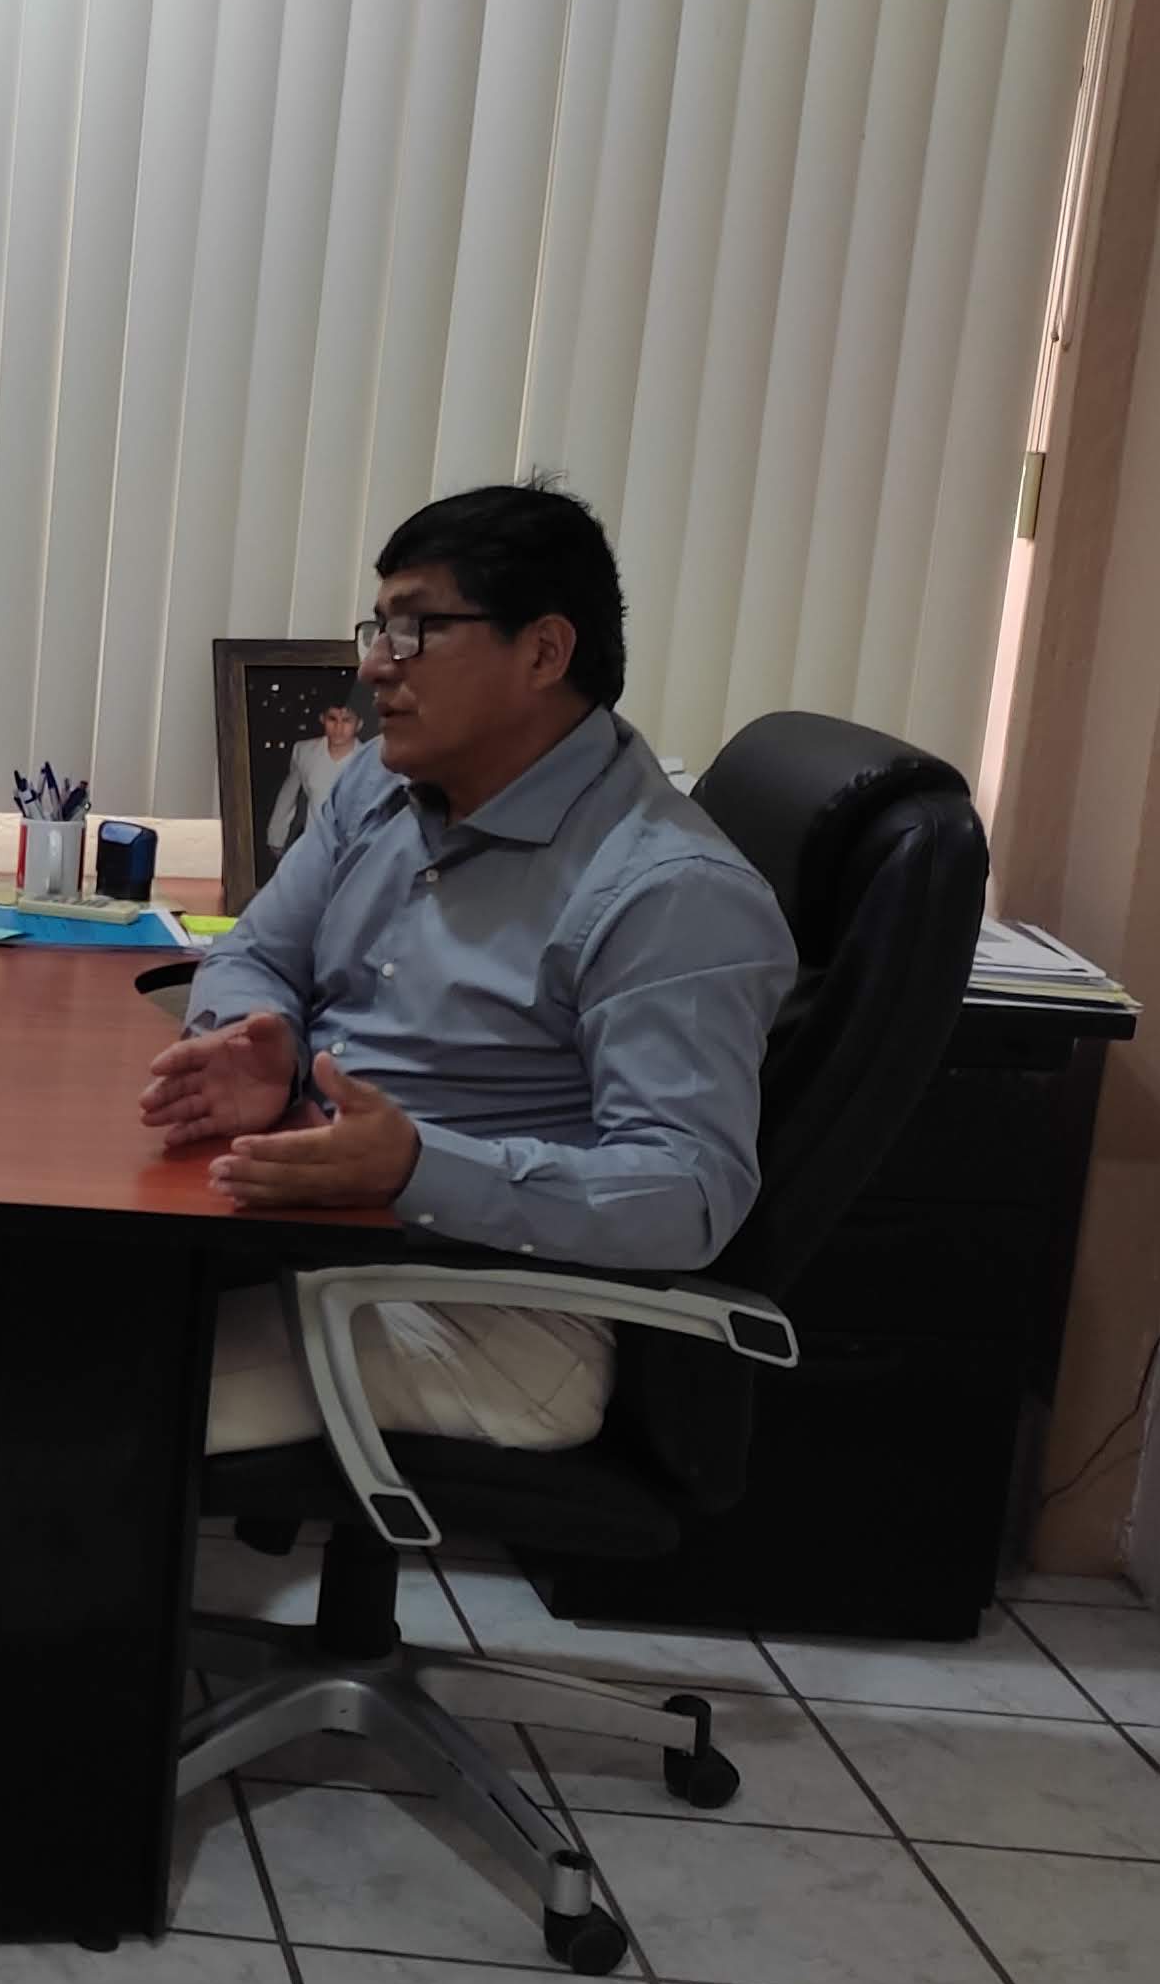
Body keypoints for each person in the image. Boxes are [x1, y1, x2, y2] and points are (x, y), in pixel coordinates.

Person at [140, 485, 795, 1455]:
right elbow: (259, 952)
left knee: (72, 1391)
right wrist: (262, 1041)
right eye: (378, 628)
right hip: (313, 1236)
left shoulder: (670, 891)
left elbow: (686, 1194)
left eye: (415, 631)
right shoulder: (381, 781)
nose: (373, 666)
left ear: (543, 652)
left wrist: (417, 1169)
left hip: (492, 1311)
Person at [257, 695, 363, 873]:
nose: (338, 728)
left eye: (346, 720)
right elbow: (288, 795)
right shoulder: (305, 751)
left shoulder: (369, 759)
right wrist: (276, 835)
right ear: (322, 719)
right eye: (332, 719)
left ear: (358, 724)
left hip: (353, 850)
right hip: (313, 848)